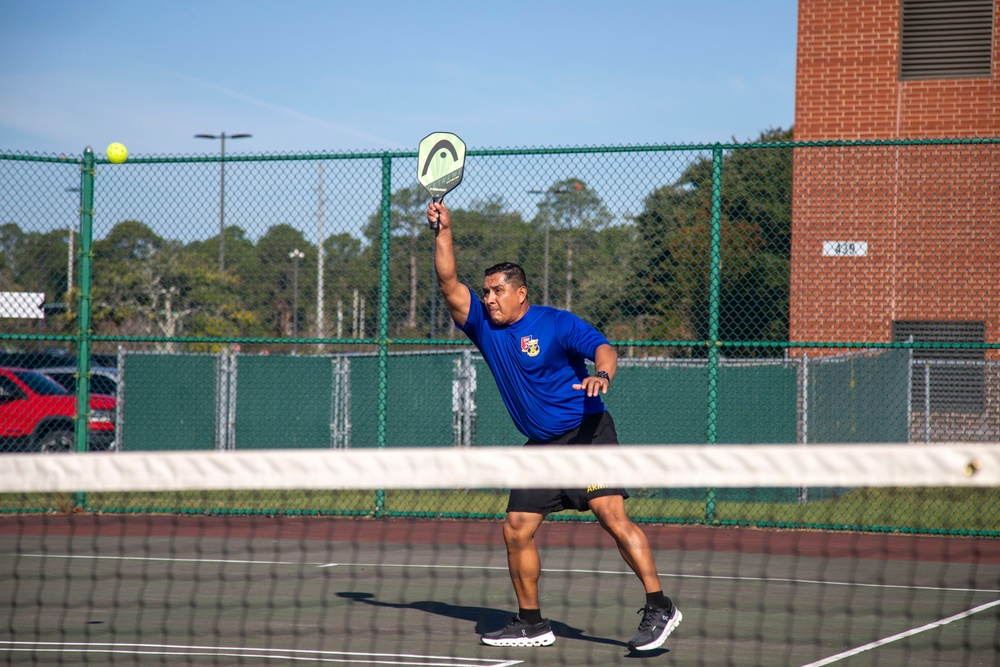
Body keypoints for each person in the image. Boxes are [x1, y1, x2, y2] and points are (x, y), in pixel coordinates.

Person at [428, 200, 681, 652]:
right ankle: (531, 623)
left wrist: (601, 376)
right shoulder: (483, 327)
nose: (488, 299)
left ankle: (660, 604)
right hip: (541, 448)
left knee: (610, 515)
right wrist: (443, 231)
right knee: (516, 528)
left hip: (586, 435)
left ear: (520, 293)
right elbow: (448, 282)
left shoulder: (556, 323)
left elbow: (604, 349)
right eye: (485, 292)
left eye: (497, 291)